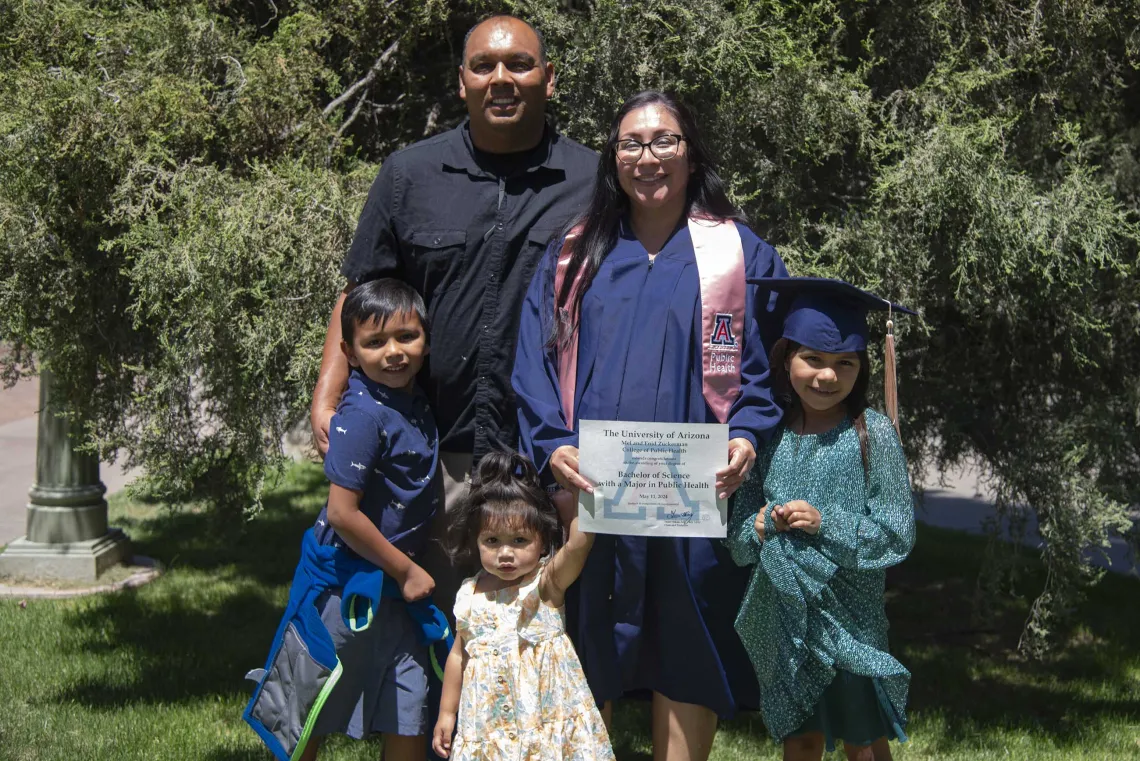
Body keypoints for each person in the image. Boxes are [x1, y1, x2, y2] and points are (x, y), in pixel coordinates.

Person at [512, 90, 787, 761]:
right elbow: (533, 363)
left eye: (665, 140)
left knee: (687, 643)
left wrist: (748, 436)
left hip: (696, 502)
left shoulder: (740, 257)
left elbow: (771, 370)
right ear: (613, 159)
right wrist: (554, 448)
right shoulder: (574, 258)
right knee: (584, 642)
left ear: (692, 155)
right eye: (631, 142)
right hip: (592, 498)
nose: (648, 155)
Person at [308, 13, 598, 625]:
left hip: (549, 452)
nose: (501, 78)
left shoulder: (595, 181)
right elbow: (362, 290)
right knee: (435, 630)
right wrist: (326, 397)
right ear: (461, 79)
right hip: (430, 452)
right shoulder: (408, 175)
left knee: (542, 637)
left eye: (519, 64)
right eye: (484, 65)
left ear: (548, 78)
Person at [245, 279, 445, 761]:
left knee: (409, 708)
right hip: (343, 590)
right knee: (308, 709)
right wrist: (407, 570)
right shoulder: (361, 416)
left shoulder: (412, 403)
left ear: (426, 339)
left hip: (397, 596)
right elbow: (342, 512)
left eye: (406, 337)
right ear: (350, 353)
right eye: (374, 343)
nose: (393, 352)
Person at [726, 277, 918, 761]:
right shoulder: (767, 436)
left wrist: (825, 522)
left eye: (844, 363)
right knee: (801, 738)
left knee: (864, 741)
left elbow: (896, 534)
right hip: (788, 619)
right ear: (785, 358)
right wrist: (763, 523)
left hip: (852, 619)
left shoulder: (872, 434)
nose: (827, 376)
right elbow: (738, 540)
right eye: (812, 359)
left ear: (863, 367)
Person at [430, 452, 613, 761]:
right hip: (488, 725)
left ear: (542, 541)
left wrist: (585, 495)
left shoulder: (546, 584)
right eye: (492, 541)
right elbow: (458, 655)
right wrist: (447, 712)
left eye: (519, 540)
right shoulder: (469, 594)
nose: (505, 553)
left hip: (545, 716)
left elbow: (579, 545)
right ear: (476, 541)